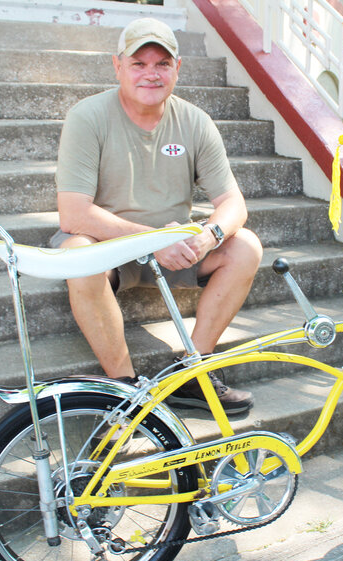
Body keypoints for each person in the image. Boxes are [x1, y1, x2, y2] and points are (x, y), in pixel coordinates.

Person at [50, 17, 261, 414]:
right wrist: (153, 240)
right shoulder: (88, 116)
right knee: (77, 254)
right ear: (118, 66)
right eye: (139, 63)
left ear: (177, 69)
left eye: (162, 64)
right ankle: (124, 389)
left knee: (245, 246)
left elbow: (234, 204)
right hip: (108, 247)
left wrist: (208, 236)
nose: (151, 74)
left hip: (172, 250)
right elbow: (73, 214)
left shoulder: (194, 121)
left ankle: (192, 373)